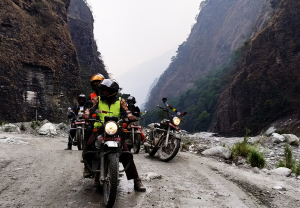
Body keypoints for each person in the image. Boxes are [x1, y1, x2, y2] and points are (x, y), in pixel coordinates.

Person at [83, 79, 146, 192]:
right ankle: (87, 168)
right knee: (89, 145)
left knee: (126, 153)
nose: (103, 92)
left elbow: (127, 111)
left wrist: (130, 116)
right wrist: (87, 113)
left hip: (115, 130)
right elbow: (90, 109)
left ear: (112, 91)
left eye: (106, 91)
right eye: (103, 90)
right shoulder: (97, 100)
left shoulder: (120, 101)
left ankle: (136, 180)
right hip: (99, 128)